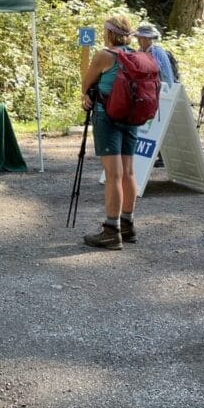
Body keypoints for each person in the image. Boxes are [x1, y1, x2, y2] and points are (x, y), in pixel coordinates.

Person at [80, 15, 141, 250]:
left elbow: (86, 84)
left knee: (113, 175)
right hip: (132, 117)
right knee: (128, 172)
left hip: (108, 116)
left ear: (108, 33)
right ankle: (127, 225)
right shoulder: (135, 55)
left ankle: (111, 231)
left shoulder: (105, 55)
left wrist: (86, 94)